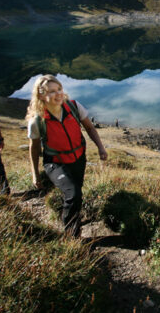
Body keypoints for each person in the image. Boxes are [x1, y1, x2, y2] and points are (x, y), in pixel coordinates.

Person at [25, 74, 108, 237]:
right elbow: (34, 148)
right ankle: (71, 236)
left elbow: (90, 128)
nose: (58, 94)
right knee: (73, 193)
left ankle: (72, 217)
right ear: (41, 95)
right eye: (51, 91)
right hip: (55, 162)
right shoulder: (37, 121)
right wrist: (35, 174)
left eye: (59, 89)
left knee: (76, 192)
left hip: (78, 158)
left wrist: (101, 148)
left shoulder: (74, 107)